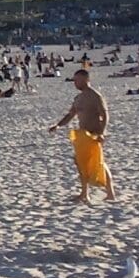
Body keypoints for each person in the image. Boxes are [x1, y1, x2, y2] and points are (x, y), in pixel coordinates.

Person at [50, 68, 115, 203]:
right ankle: (84, 193)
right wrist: (58, 125)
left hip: (94, 134)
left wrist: (102, 133)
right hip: (82, 135)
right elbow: (71, 114)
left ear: (86, 80)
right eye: (74, 80)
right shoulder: (78, 98)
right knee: (80, 163)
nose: (75, 83)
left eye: (77, 80)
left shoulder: (95, 96)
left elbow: (105, 115)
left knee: (99, 163)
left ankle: (110, 193)